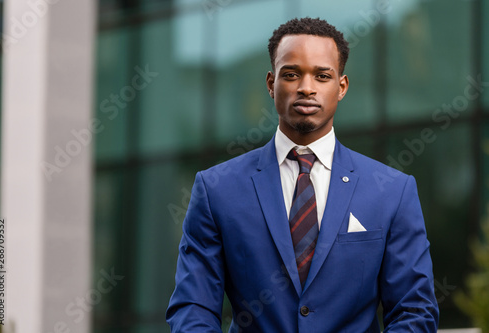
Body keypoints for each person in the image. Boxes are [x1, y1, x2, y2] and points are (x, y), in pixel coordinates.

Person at [166, 17, 439, 332]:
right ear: (271, 84)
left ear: (342, 87)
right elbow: (193, 308)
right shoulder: (216, 190)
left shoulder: (392, 191)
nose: (306, 88)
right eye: (292, 74)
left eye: (322, 76)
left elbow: (414, 311)